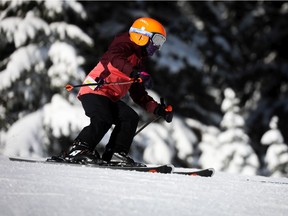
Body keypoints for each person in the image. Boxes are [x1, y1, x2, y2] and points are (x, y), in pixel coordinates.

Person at [63, 17, 173, 167]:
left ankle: (115, 154)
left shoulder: (138, 59)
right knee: (103, 118)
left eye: (161, 43)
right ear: (142, 35)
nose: (157, 46)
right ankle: (78, 149)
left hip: (109, 97)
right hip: (94, 89)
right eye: (157, 40)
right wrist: (134, 72)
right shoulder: (123, 44)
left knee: (130, 117)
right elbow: (115, 59)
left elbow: (138, 93)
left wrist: (157, 108)